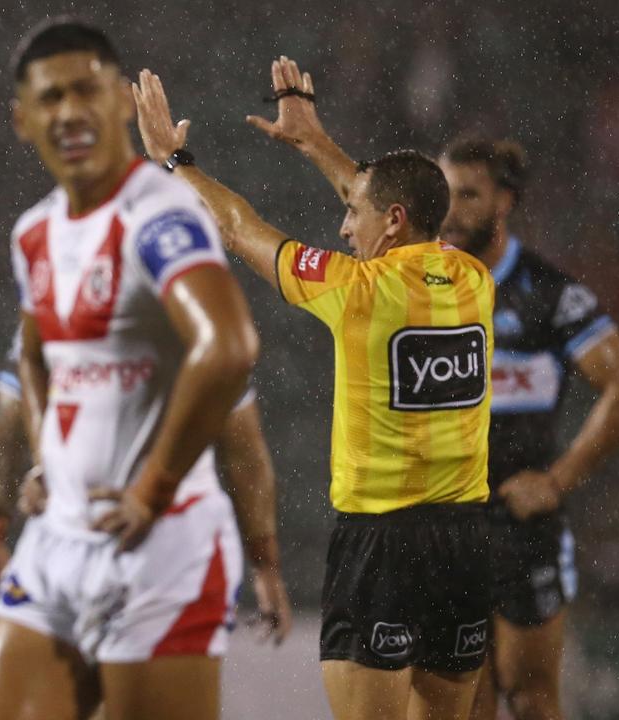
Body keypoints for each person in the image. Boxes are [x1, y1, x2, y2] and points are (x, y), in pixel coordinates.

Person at [133, 58, 495, 719]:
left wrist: (173, 162)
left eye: (351, 214)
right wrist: (313, 141)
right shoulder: (473, 279)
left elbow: (239, 225)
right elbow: (387, 198)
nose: (341, 227)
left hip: (382, 548)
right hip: (466, 544)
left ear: (389, 221)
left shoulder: (356, 291)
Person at [0, 19, 269, 720]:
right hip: (58, 542)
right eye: (50, 98)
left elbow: (227, 347)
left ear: (118, 102)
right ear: (23, 119)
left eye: (86, 91)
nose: (69, 111)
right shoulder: (35, 232)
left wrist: (154, 488)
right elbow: (36, 351)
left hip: (160, 549)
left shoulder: (158, 214)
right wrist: (49, 459)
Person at [438, 137, 619, 720]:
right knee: (463, 704)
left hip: (519, 525)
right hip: (442, 522)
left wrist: (556, 482)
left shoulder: (548, 293)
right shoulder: (418, 281)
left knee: (531, 696)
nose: (450, 210)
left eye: (468, 195)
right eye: (443, 193)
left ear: (505, 201)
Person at [0, 329, 293, 649]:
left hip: (163, 547)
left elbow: (242, 448)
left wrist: (264, 563)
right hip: (60, 535)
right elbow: (17, 395)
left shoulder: (185, 294)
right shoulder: (58, 280)